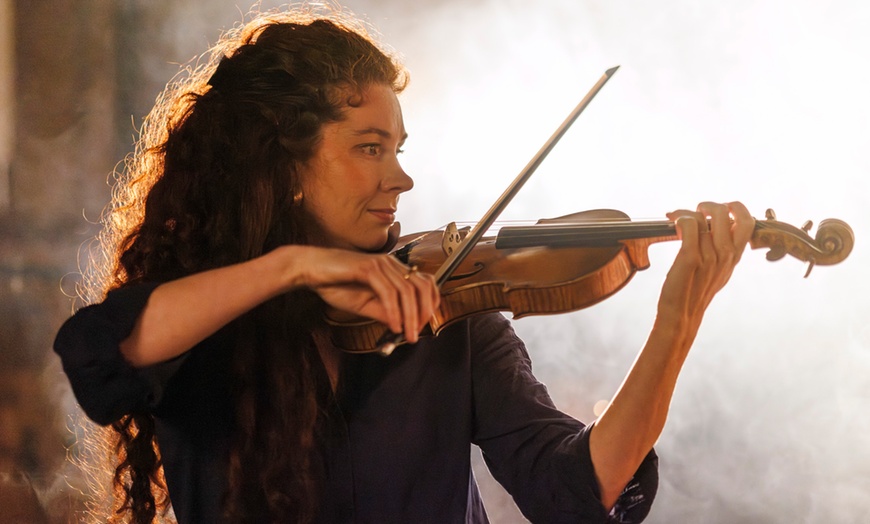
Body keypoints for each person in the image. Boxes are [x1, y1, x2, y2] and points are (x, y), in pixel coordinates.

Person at [53, 6, 754, 524]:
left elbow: (574, 492)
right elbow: (97, 357)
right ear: (285, 164)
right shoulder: (207, 319)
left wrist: (677, 323)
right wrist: (292, 268)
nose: (401, 181)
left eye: (400, 150)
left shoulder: (443, 306)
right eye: (369, 148)